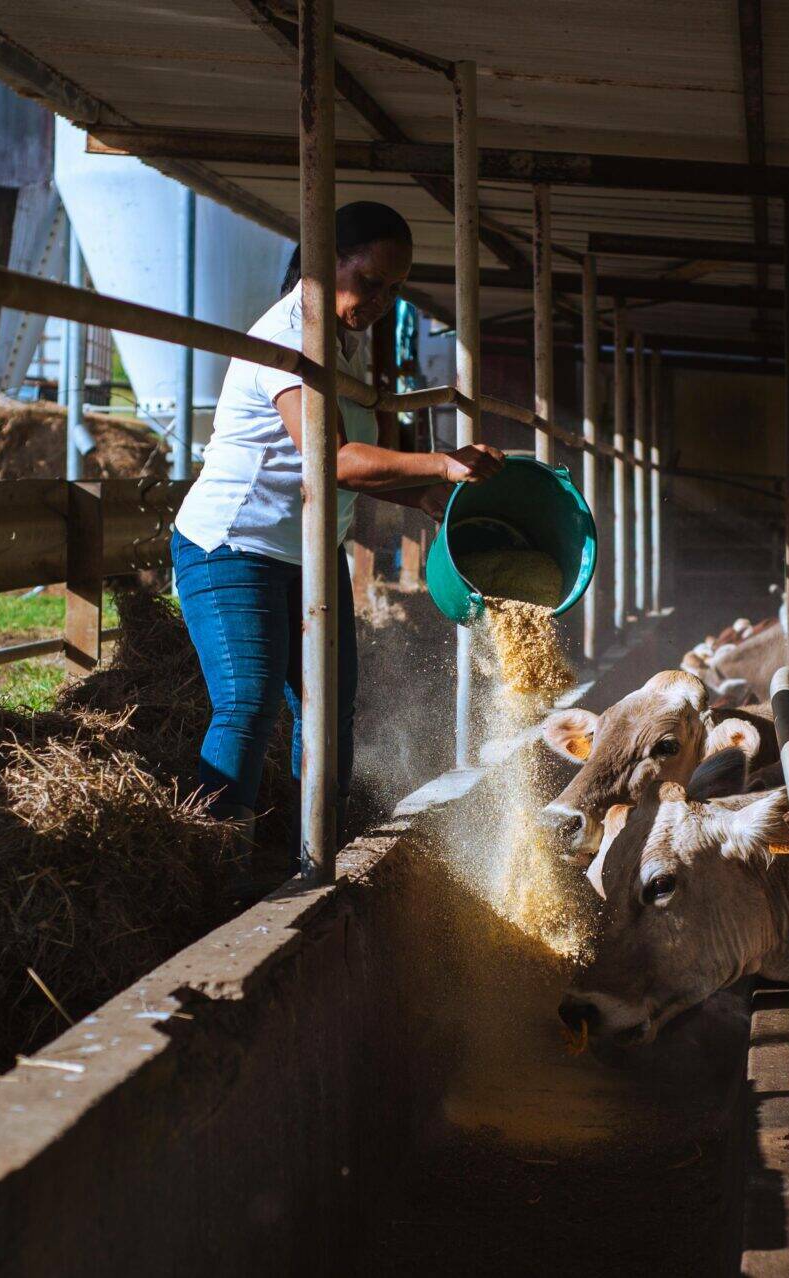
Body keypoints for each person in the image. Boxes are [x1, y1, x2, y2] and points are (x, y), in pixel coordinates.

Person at [171, 201, 503, 857]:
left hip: (307, 552)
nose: (383, 299)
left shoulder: (349, 342)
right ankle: (211, 864)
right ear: (327, 264)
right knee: (247, 703)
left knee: (328, 708)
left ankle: (311, 850)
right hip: (234, 545)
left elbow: (359, 468)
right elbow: (335, 458)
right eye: (372, 280)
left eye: (395, 287)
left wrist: (434, 496)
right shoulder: (289, 336)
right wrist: (443, 461)